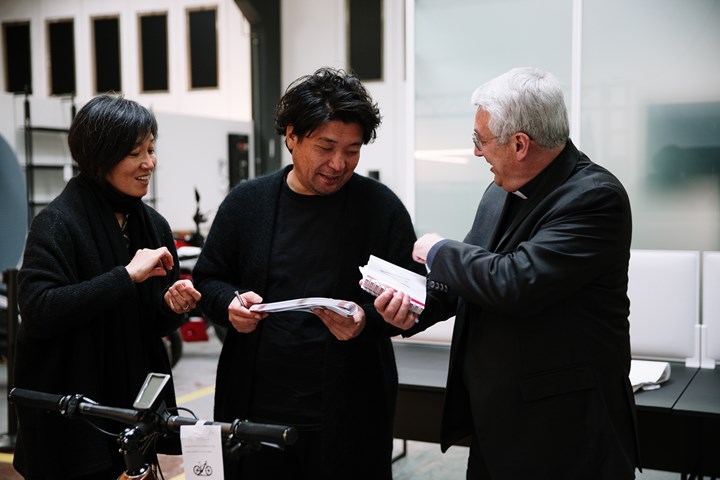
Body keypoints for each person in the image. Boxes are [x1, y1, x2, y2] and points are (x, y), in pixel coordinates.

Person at [375, 67, 640, 479]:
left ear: (519, 144)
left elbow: (516, 281)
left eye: (480, 140)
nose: (476, 152)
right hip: (495, 421)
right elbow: (469, 281)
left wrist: (439, 250)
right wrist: (414, 308)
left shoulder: (594, 197)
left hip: (565, 430)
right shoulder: (500, 188)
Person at [192, 67, 420, 479]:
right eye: (326, 147)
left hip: (350, 412)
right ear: (292, 136)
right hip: (257, 414)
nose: (339, 163)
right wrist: (230, 305)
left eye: (352, 150)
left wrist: (367, 319)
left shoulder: (379, 208)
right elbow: (208, 279)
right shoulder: (247, 204)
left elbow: (416, 295)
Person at [13, 94, 201, 479]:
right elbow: (38, 309)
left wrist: (172, 306)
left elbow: (151, 325)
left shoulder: (152, 225)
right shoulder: (57, 223)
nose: (149, 163)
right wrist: (125, 276)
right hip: (73, 410)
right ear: (100, 158)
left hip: (131, 405)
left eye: (151, 149)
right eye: (135, 153)